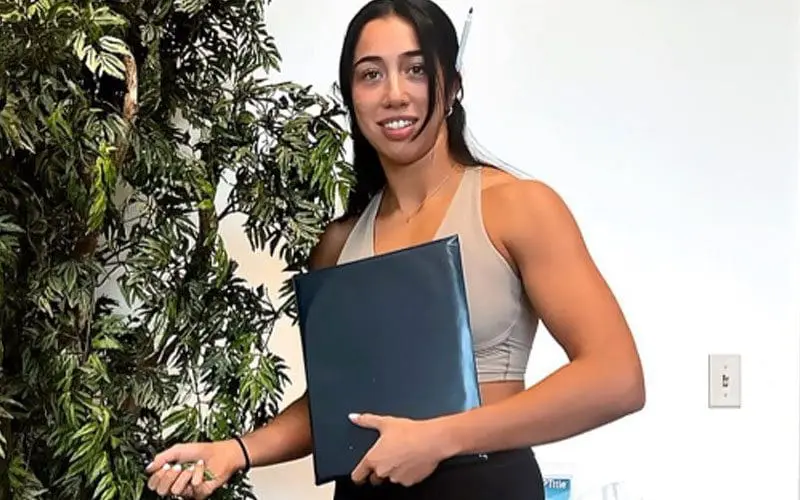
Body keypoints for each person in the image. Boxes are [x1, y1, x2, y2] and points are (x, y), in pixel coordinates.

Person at [144, 0, 646, 498]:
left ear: (452, 85)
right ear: (351, 97)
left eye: (416, 69)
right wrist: (236, 450)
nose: (394, 94)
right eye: (371, 75)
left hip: (486, 484)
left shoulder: (517, 206)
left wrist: (438, 438)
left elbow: (616, 378)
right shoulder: (338, 244)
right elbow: (336, 404)